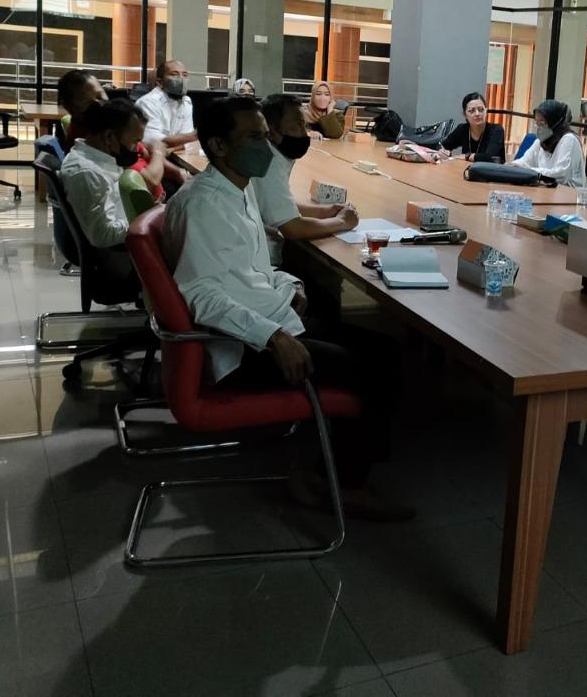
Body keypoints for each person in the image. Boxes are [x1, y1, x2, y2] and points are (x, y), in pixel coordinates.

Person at [162, 96, 411, 520]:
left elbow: (251, 268)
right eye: (255, 137)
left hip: (271, 318)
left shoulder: (237, 188)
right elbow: (201, 294)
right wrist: (274, 338)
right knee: (366, 369)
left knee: (384, 350)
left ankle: (325, 464)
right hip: (244, 347)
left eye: (267, 135)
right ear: (219, 146)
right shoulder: (204, 204)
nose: (268, 145)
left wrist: (289, 283)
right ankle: (347, 485)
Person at [256, 93, 360, 259]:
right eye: (297, 126)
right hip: (263, 260)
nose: (304, 134)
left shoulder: (274, 154)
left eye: (304, 125)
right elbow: (293, 228)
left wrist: (324, 211)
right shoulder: (268, 163)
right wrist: (342, 222)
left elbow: (278, 203)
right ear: (271, 130)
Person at [57, 100, 145, 293]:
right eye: (134, 141)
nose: (137, 148)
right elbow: (102, 236)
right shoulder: (87, 173)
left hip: (127, 244)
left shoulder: (98, 160)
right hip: (117, 258)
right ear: (109, 137)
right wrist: (144, 223)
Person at [57, 69, 177, 200]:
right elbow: (149, 182)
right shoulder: (99, 142)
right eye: (90, 103)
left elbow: (143, 151)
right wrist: (158, 152)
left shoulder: (113, 130)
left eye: (100, 96)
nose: (100, 105)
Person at [513, 99, 586, 188]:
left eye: (542, 122)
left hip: (570, 194)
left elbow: (561, 176)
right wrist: (511, 168)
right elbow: (522, 163)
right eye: (537, 122)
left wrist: (529, 171)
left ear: (555, 123)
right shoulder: (540, 142)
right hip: (548, 191)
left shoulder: (569, 140)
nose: (538, 127)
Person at [135, 60, 197, 150]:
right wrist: (197, 135)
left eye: (185, 75)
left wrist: (175, 146)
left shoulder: (186, 101)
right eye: (174, 74)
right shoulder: (147, 102)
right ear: (160, 82)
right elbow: (155, 142)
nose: (181, 79)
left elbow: (187, 141)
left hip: (174, 154)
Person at [439, 92, 505, 161]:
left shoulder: (496, 130)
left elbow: (490, 156)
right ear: (465, 115)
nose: (477, 114)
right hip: (466, 167)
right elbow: (442, 146)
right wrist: (441, 152)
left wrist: (466, 156)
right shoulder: (462, 129)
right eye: (472, 111)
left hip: (491, 168)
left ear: (486, 111)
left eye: (481, 109)